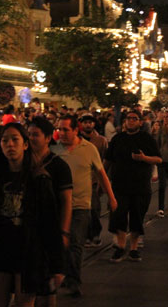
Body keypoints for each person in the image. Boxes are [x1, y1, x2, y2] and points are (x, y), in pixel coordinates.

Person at [0, 123, 63, 307]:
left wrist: (57, 265)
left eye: (15, 140)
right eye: (5, 141)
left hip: (28, 252)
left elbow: (50, 224)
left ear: (25, 144)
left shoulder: (39, 179)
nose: (10, 145)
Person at [51, 115, 117, 297]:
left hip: (81, 205)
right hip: (59, 205)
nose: (62, 133)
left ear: (75, 130)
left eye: (65, 130)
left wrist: (111, 198)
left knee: (75, 243)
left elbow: (101, 174)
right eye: (59, 129)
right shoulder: (54, 150)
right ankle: (63, 274)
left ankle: (73, 280)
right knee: (60, 243)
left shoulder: (89, 149)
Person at [28, 117, 72, 307]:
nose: (31, 138)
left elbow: (66, 201)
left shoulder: (59, 166)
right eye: (28, 134)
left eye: (35, 135)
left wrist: (63, 231)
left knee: (48, 281)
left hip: (50, 228)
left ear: (47, 138)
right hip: (28, 229)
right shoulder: (22, 163)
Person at [106, 110, 161, 263]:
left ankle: (134, 248)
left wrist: (144, 158)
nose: (131, 121)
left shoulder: (146, 139)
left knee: (137, 216)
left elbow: (158, 159)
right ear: (124, 121)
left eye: (134, 119)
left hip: (140, 185)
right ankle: (121, 246)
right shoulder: (117, 139)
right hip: (120, 184)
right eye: (128, 119)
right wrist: (101, 179)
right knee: (119, 214)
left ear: (140, 122)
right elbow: (108, 160)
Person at [78, 113, 108, 247]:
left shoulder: (101, 140)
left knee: (95, 209)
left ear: (94, 124)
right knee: (82, 210)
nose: (88, 125)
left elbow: (105, 161)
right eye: (85, 122)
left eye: (90, 122)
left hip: (95, 180)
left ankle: (95, 234)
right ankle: (86, 235)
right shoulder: (76, 139)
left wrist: (103, 182)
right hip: (79, 180)